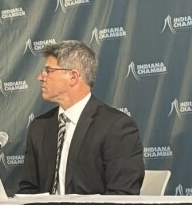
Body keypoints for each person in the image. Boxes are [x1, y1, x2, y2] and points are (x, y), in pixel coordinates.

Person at [18, 40, 144, 195]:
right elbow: (28, 189)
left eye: (48, 70)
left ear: (73, 76)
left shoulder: (116, 127)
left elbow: (122, 194)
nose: (40, 77)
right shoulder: (40, 126)